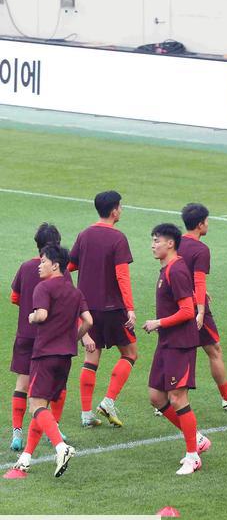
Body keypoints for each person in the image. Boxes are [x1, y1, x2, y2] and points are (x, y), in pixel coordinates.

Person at [10, 244, 91, 478]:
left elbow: (42, 315)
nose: (39, 264)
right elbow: (88, 320)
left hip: (45, 354)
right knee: (43, 407)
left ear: (55, 265)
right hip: (66, 356)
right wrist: (73, 338)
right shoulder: (75, 292)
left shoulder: (43, 287)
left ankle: (60, 447)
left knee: (35, 406)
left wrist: (32, 316)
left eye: (44, 261)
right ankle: (26, 457)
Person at [143, 224, 212, 475]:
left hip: (180, 343)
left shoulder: (177, 270)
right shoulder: (167, 269)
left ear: (170, 243)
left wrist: (157, 323)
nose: (153, 245)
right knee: (156, 396)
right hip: (167, 342)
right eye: (152, 240)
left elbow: (187, 311)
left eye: (157, 240)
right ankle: (197, 438)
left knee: (178, 398)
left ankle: (193, 456)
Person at [69, 191, 136, 428]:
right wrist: (130, 308)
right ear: (114, 210)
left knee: (91, 358)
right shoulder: (118, 238)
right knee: (130, 353)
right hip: (112, 308)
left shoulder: (84, 235)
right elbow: (122, 276)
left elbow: (69, 265)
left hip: (87, 309)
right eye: (120, 206)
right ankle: (108, 400)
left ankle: (86, 414)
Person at [178, 203, 227, 410]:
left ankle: (163, 401)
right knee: (214, 350)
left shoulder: (176, 244)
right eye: (207, 221)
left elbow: (174, 274)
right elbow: (198, 281)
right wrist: (200, 310)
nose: (208, 224)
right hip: (192, 307)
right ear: (200, 224)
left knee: (176, 351)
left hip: (173, 303)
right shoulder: (200, 249)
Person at [9, 223, 63, 452]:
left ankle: (17, 432)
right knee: (53, 384)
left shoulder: (25, 267)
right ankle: (54, 431)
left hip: (25, 334)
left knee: (22, 382)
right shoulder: (59, 271)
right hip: (49, 339)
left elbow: (14, 297)